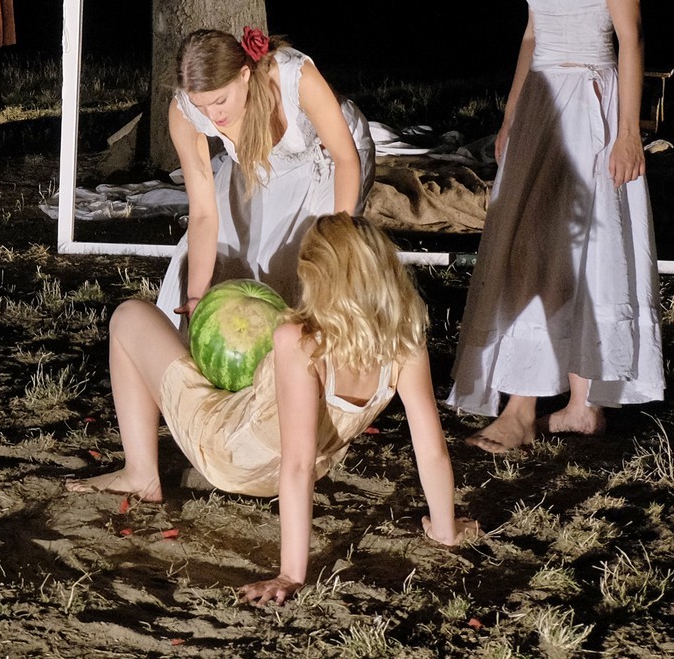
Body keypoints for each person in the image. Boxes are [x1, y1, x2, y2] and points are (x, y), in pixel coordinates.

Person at [69, 214, 479, 604]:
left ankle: (140, 474)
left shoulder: (300, 341)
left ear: (317, 278)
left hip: (227, 452)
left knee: (130, 315)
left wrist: (290, 575)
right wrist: (445, 529)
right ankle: (145, 469)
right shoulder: (404, 344)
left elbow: (296, 463)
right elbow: (431, 450)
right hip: (292, 471)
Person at [448, 0, 664, 452]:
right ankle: (563, 407)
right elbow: (533, 32)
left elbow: (631, 36)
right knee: (535, 250)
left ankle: (543, 409)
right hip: (543, 104)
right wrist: (512, 113)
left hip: (588, 109)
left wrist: (628, 133)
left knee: (568, 250)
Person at [153, 26, 375, 328]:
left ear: (244, 75)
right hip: (259, 163)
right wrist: (196, 295)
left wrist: (338, 242)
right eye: (200, 105)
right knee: (231, 255)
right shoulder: (184, 112)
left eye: (220, 101)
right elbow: (203, 212)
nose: (212, 116)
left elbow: (346, 159)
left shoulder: (295, 77)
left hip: (328, 161)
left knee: (315, 263)